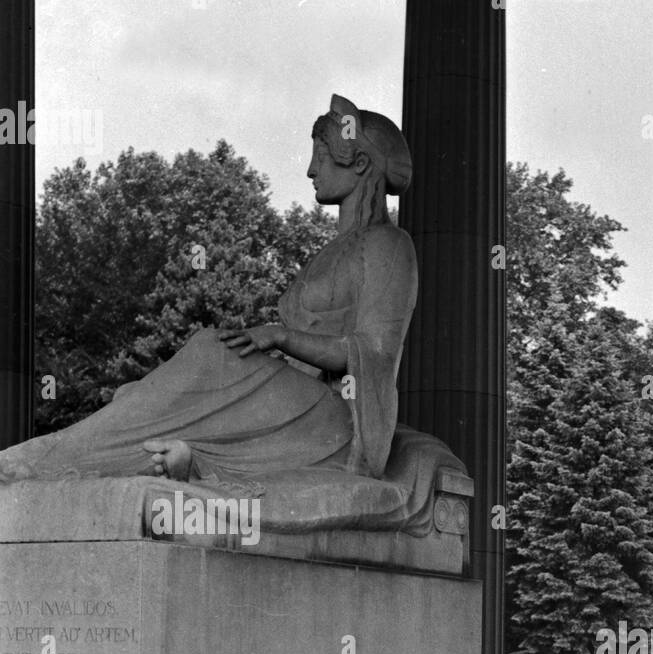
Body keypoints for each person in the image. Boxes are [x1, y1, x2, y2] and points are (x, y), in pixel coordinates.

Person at [0, 95, 416, 489]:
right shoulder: (330, 252)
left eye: (321, 157)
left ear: (359, 162)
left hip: (333, 419)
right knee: (148, 392)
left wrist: (280, 335)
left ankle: (45, 461)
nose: (310, 170)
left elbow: (375, 353)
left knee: (210, 353)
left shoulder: (388, 245)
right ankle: (138, 460)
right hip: (293, 398)